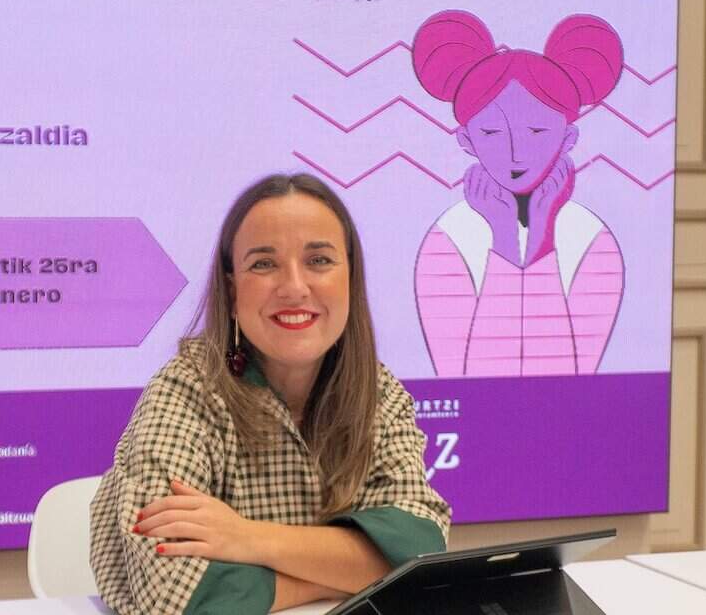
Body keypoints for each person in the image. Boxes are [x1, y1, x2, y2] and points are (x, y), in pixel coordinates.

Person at [89, 173, 450, 614]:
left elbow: (420, 550)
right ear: (232, 289)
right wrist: (343, 575)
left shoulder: (379, 392)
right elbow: (172, 596)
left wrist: (247, 538)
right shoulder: (184, 391)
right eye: (263, 264)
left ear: (351, 280)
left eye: (319, 260)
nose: (294, 287)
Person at [411, 10, 626, 377]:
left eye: (538, 131)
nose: (516, 153)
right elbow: (461, 379)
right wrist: (504, 236)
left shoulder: (592, 236)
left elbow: (574, 377)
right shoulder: (448, 236)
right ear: (466, 140)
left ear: (568, 138)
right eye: (492, 133)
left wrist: (543, 231)